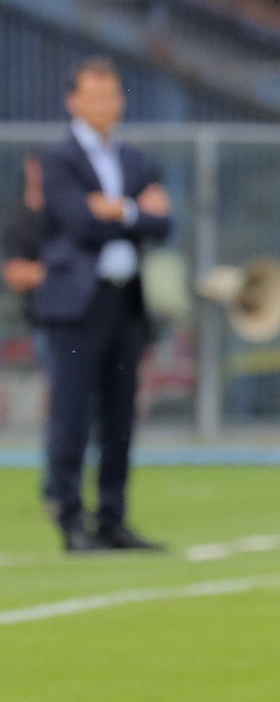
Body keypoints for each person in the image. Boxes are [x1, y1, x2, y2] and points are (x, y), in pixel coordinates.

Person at [36, 60, 172, 553]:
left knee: (120, 416)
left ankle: (112, 518)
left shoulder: (134, 159)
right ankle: (70, 518)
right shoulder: (57, 158)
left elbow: (163, 224)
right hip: (75, 307)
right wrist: (137, 213)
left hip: (124, 302)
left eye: (111, 96)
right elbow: (80, 224)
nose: (103, 106)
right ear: (73, 101)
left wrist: (121, 209)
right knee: (71, 414)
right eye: (93, 97)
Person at [3, 155, 55, 517]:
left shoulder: (66, 214)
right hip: (47, 323)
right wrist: (66, 272)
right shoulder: (18, 220)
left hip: (85, 321)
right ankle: (56, 487)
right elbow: (17, 274)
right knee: (62, 407)